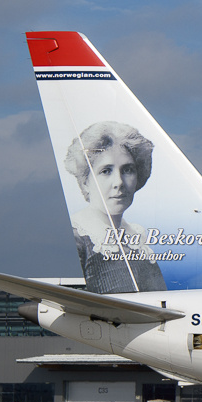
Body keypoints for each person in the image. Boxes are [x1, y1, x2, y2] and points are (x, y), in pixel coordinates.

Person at [62, 121, 167, 293]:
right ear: (85, 181)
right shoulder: (78, 240)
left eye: (127, 170)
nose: (119, 182)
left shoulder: (138, 240)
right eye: (106, 171)